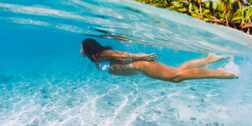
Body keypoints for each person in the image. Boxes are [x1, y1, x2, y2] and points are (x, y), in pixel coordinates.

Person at [80, 38, 238, 83]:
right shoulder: (95, 58)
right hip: (138, 66)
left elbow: (119, 54)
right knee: (178, 71)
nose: (79, 50)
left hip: (140, 65)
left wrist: (139, 57)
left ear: (87, 48)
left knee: (176, 77)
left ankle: (219, 73)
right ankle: (208, 59)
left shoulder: (98, 56)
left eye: (81, 48)